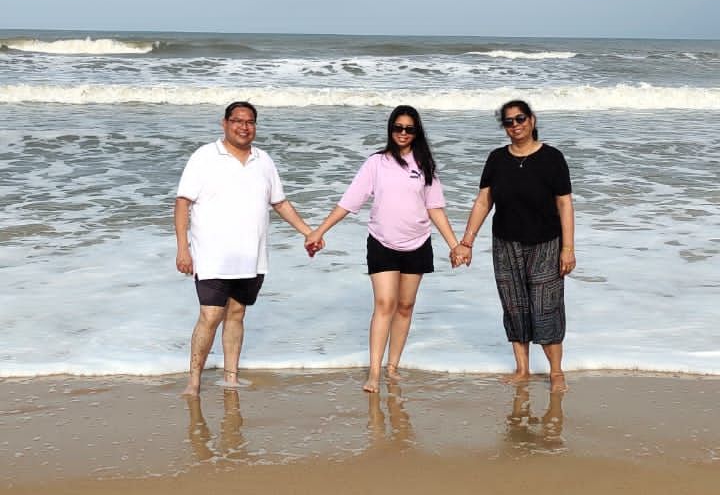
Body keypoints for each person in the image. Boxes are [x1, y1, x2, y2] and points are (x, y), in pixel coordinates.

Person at [304, 105, 461, 394]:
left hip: (418, 242)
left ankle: (393, 366)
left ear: (416, 132)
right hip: (381, 242)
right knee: (385, 304)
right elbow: (350, 201)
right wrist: (319, 231)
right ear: (390, 129)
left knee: (405, 306)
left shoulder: (425, 165)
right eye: (397, 128)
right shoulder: (376, 163)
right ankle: (375, 373)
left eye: (409, 129)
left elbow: (435, 208)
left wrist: (455, 244)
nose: (402, 133)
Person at [175, 101, 314, 394]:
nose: (244, 127)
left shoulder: (263, 160)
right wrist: (182, 249)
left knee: (237, 314)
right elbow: (182, 203)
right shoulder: (204, 157)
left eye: (250, 122)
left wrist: (308, 232)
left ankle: (231, 376)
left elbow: (280, 202)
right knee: (210, 316)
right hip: (212, 255)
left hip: (251, 256)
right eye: (237, 121)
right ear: (224, 123)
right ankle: (194, 382)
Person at [452, 99, 575, 392]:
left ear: (531, 120)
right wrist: (466, 241)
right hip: (505, 243)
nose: (515, 125)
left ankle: (556, 372)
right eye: (509, 122)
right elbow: (484, 200)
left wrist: (567, 248)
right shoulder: (496, 159)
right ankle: (522, 370)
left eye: (520, 119)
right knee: (514, 306)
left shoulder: (552, 158)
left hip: (546, 243)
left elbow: (564, 203)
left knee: (547, 307)